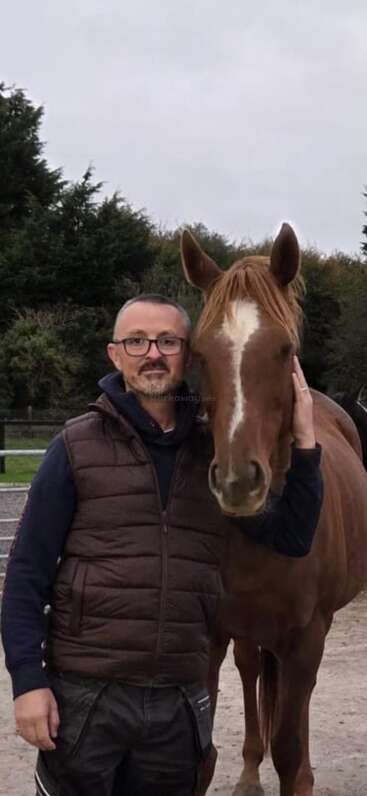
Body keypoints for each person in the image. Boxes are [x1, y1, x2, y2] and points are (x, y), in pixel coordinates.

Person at [1, 294, 323, 796]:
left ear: (188, 356)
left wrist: (305, 443)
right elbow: (25, 575)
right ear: (115, 355)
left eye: (168, 341)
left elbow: (293, 537)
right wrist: (27, 681)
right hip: (87, 699)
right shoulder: (74, 447)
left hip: (177, 704)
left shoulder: (212, 460)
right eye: (137, 341)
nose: (152, 353)